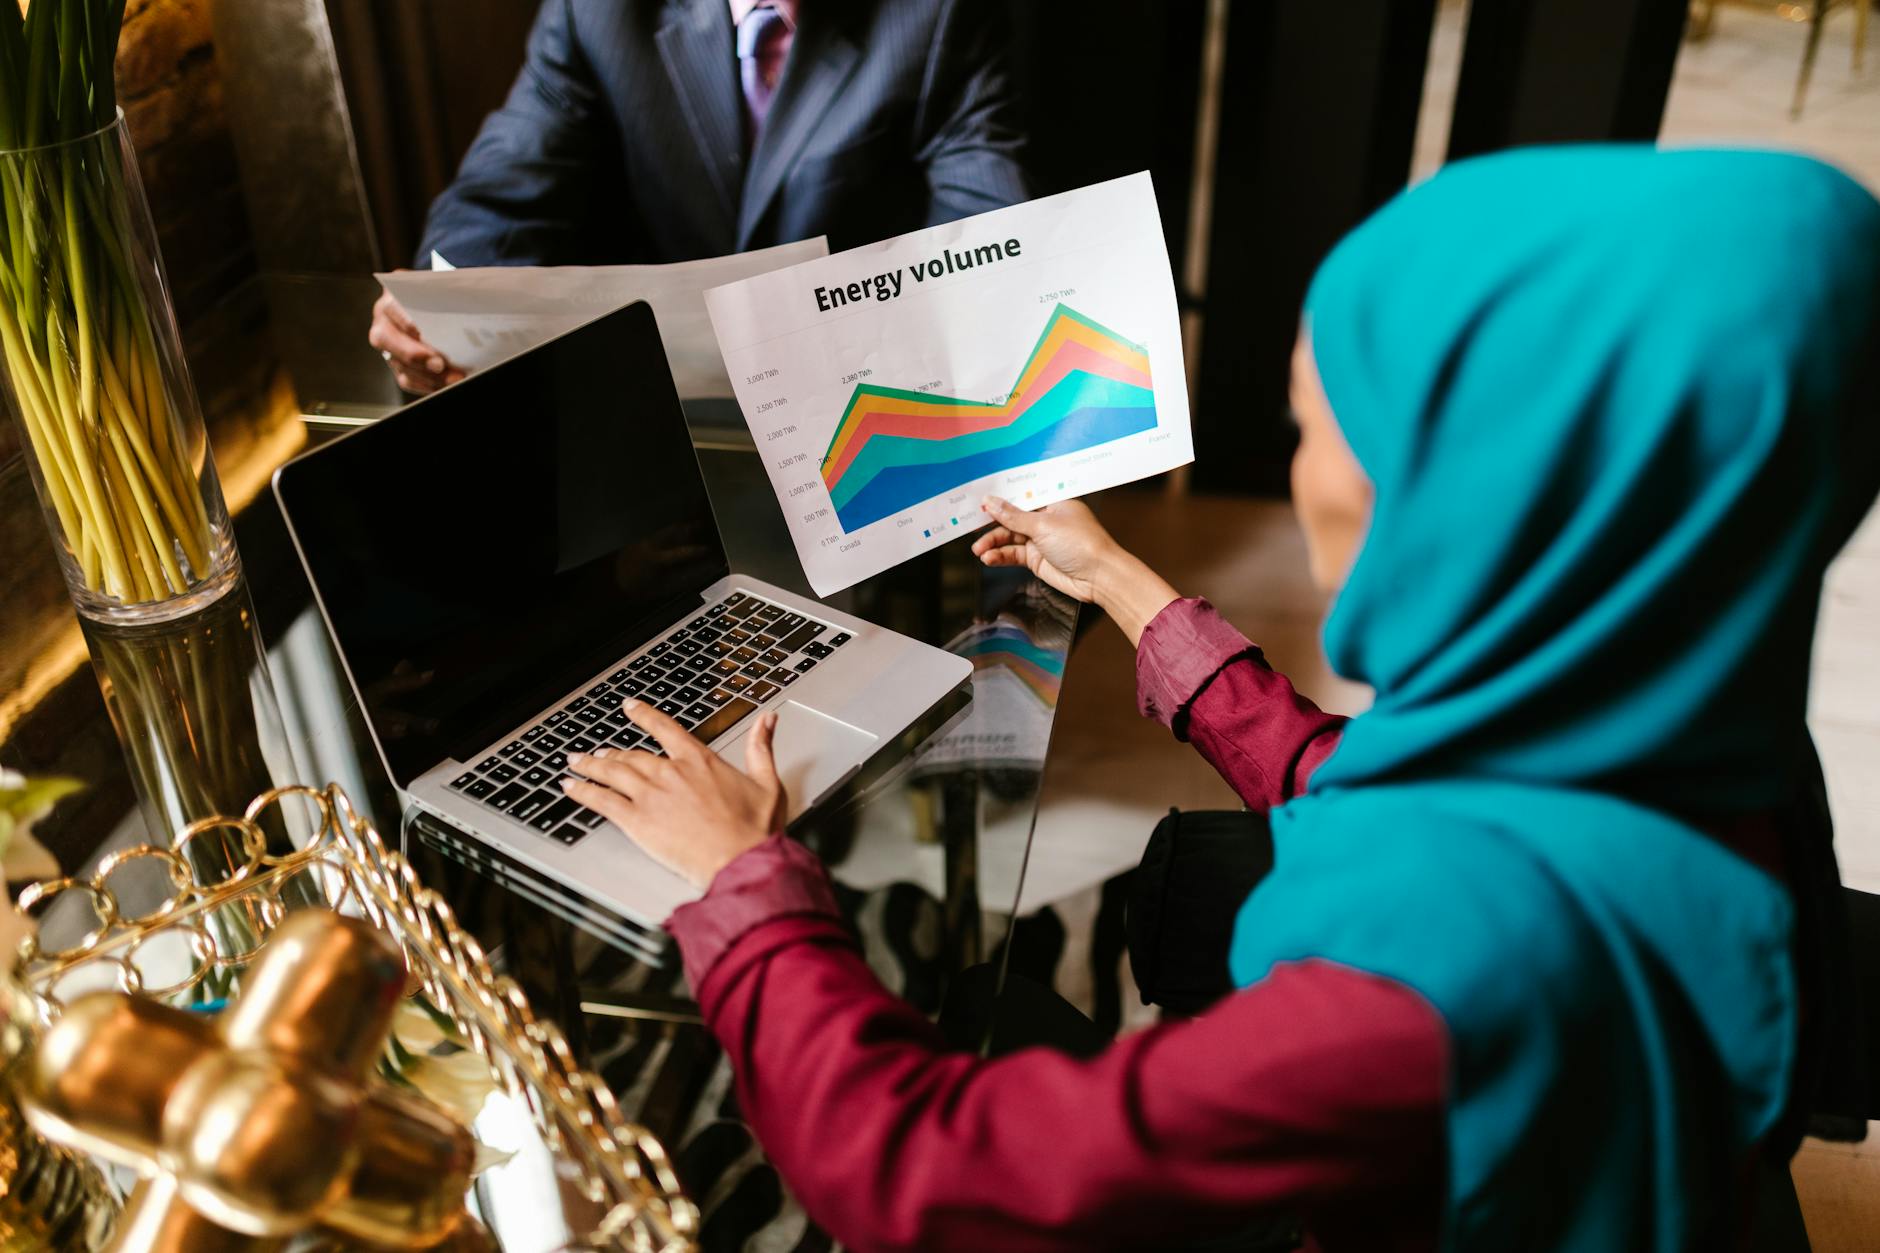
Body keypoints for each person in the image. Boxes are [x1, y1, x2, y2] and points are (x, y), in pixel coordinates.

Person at [560, 146, 1880, 1249]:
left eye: (1317, 429)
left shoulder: (1425, 975)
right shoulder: (1704, 732)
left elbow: (921, 1175)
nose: (1300, 472)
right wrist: (1126, 583)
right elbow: (1385, 797)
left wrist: (743, 878)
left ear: (1469, 506)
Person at [370, 0, 1032, 394]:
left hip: (861, 398)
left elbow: (986, 233)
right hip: (663, 411)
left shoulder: (939, 14)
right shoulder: (596, 11)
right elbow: (503, 190)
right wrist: (437, 308)